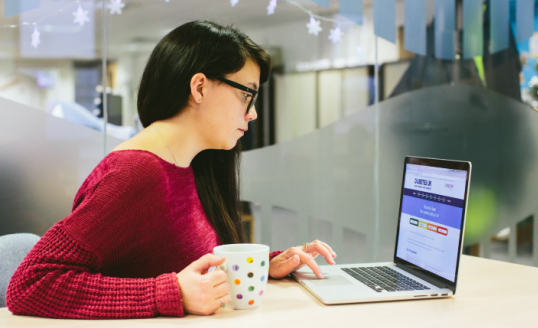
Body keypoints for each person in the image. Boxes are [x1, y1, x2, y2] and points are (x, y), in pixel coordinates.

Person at [6, 20, 336, 319]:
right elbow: (31, 284)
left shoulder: (189, 163)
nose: (252, 114)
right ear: (200, 87)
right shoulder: (136, 173)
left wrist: (261, 268)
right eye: (247, 94)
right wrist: (170, 293)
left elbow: (189, 264)